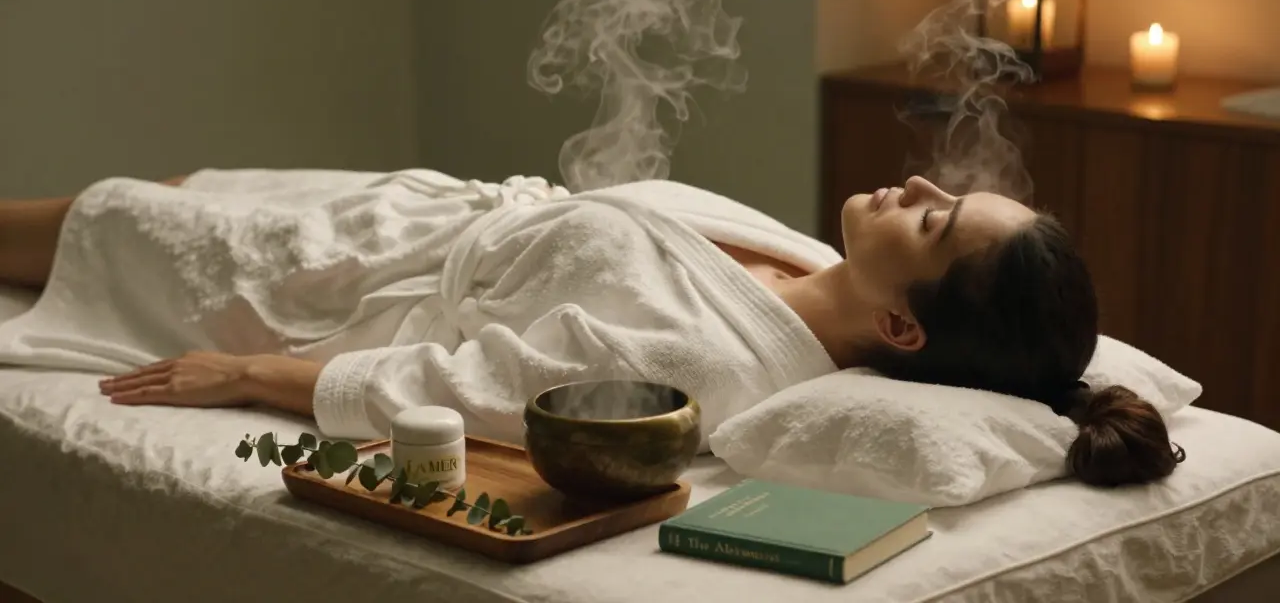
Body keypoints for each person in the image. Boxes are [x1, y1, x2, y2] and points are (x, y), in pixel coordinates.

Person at [0, 168, 1182, 487]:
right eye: (942, 196)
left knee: (99, 219)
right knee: (157, 191)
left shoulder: (711, 367)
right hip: (420, 206)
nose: (919, 191)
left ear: (900, 329)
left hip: (347, 286)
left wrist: (256, 374)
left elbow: (473, 385)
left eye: (934, 228)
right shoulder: (810, 265)